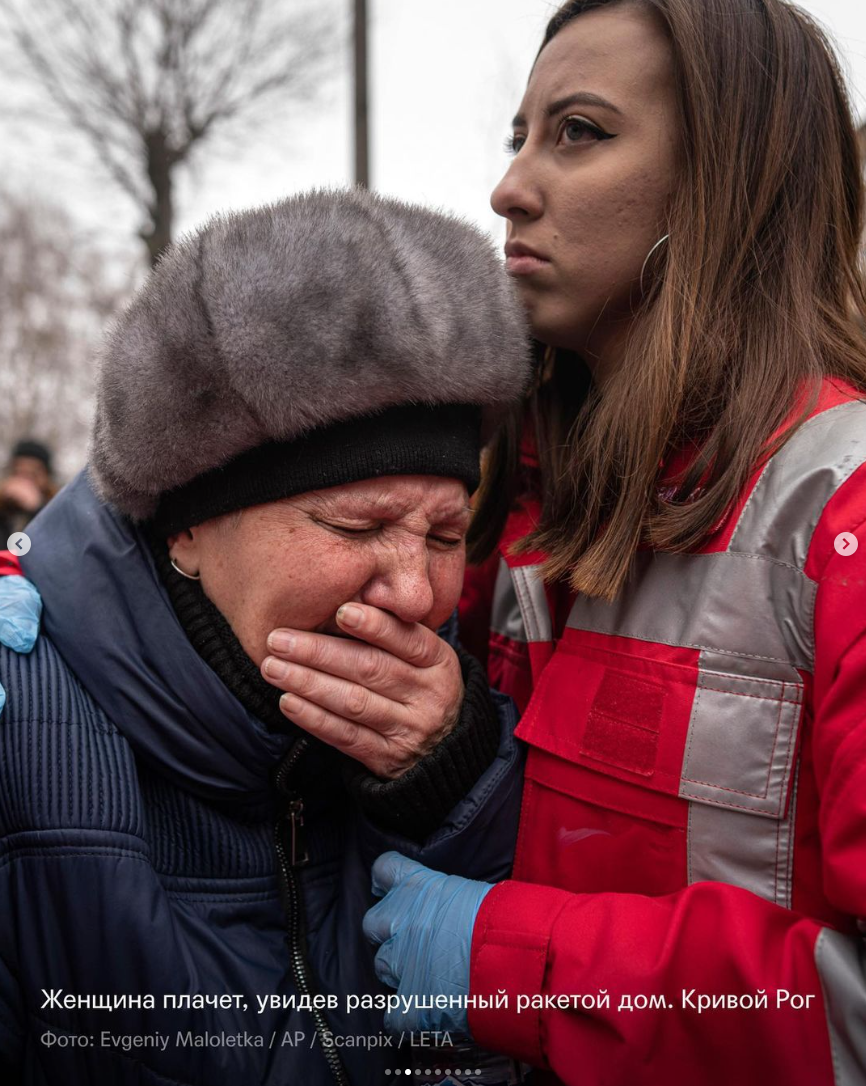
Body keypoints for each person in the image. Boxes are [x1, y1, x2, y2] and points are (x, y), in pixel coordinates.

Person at [361, 2, 866, 1084]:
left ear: (725, 176)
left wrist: (521, 971)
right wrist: (70, 595)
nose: (508, 187)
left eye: (577, 132)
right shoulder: (523, 495)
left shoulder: (841, 512)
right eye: (518, 136)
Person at [0, 189, 533, 1085]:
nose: (415, 592)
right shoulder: (24, 739)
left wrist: (453, 792)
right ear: (187, 529)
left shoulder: (468, 735)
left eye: (445, 536)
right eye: (356, 528)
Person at [0, 439, 57, 540]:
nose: (24, 481)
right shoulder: (4, 511)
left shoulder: (58, 510)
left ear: (46, 478)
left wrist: (37, 509)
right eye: (19, 472)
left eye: (33, 474)